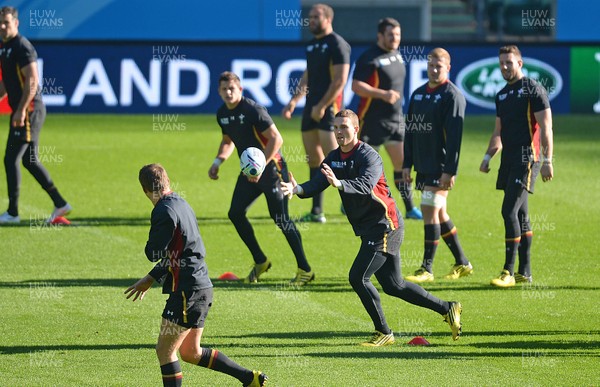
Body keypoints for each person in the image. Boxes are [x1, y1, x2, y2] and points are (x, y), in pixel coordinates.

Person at [280, 110, 462, 346]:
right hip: (369, 228)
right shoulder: (333, 157)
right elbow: (318, 182)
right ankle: (447, 308)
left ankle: (383, 332)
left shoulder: (369, 156)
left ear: (356, 129)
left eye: (344, 127)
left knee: (358, 277)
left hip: (385, 226)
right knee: (394, 286)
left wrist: (340, 183)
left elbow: (366, 185)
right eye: (336, 127)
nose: (338, 132)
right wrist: (298, 190)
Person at [125, 164, 267, 387]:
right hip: (201, 287)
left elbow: (153, 253)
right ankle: (249, 378)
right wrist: (151, 278)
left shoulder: (163, 211)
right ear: (168, 181)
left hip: (186, 292)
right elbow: (182, 253)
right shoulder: (181, 203)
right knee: (191, 352)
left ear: (144, 190)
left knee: (165, 351)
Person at [209, 71, 314, 285]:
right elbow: (228, 140)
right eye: (224, 89)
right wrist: (218, 161)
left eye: (232, 88)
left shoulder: (253, 110)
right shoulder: (222, 114)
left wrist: (260, 166)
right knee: (235, 213)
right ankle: (260, 261)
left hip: (273, 169)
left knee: (281, 219)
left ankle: (305, 270)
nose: (228, 92)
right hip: (250, 172)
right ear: (219, 92)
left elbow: (277, 139)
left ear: (240, 90)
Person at [480, 45, 554, 287]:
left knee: (508, 211)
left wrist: (547, 160)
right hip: (508, 160)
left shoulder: (533, 89)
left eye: (509, 62)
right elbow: (498, 131)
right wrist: (488, 156)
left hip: (527, 159)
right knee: (521, 214)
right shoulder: (501, 94)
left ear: (519, 63)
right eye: (501, 63)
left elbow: (546, 127)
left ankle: (507, 272)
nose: (504, 67)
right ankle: (525, 272)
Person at [402, 48, 473, 284]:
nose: (433, 70)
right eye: (431, 66)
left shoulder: (452, 96)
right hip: (422, 164)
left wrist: (449, 170)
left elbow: (455, 138)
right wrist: (406, 164)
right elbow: (410, 131)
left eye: (438, 67)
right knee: (439, 213)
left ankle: (426, 268)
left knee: (429, 208)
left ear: (448, 68)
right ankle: (462, 262)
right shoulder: (418, 94)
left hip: (440, 165)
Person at [0, 6, 71, 224]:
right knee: (30, 161)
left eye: (7, 23)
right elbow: (7, 82)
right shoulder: (5, 48)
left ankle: (12, 212)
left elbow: (32, 81)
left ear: (16, 23)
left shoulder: (22, 47)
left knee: (11, 158)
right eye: (0, 23)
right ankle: (60, 203)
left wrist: (20, 110)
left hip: (29, 110)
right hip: (25, 110)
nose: (3, 27)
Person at [281, 3, 350, 223]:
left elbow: (340, 80)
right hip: (311, 107)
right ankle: (317, 211)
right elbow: (308, 76)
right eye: (309, 17)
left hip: (329, 109)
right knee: (314, 160)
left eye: (315, 17)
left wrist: (322, 105)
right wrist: (294, 101)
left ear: (328, 18)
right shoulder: (312, 45)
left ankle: (354, 199)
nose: (310, 20)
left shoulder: (338, 44)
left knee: (339, 159)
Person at [352, 17, 422, 220]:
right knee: (365, 166)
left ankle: (409, 208)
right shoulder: (369, 57)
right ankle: (355, 200)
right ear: (380, 35)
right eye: (391, 35)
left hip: (395, 120)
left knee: (402, 166)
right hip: (372, 120)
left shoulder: (397, 54)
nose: (395, 38)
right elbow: (356, 86)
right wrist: (383, 94)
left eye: (398, 35)